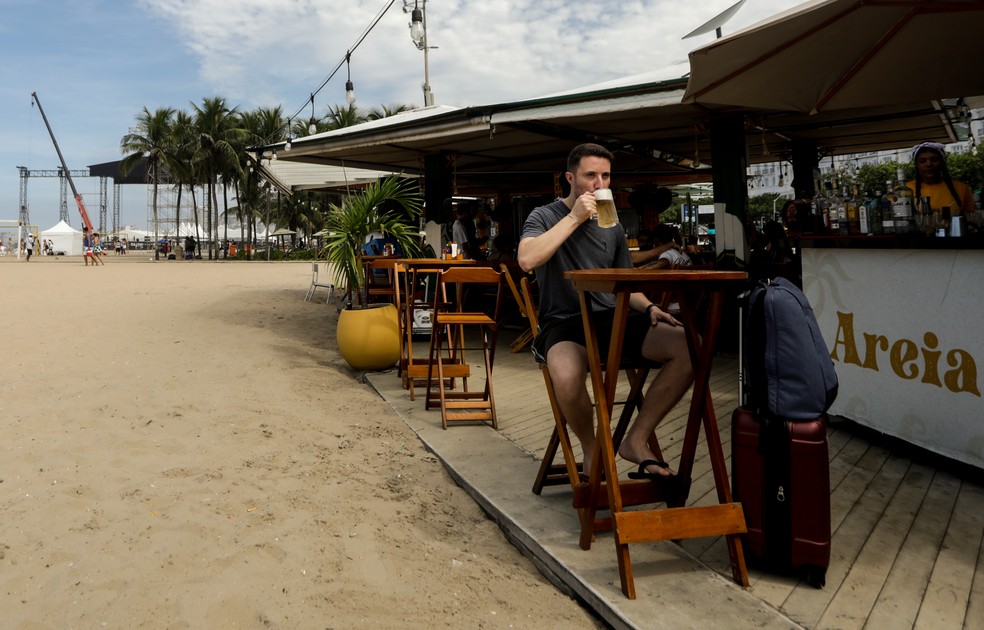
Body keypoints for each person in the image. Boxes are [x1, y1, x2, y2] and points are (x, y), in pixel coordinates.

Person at [517, 143, 693, 480]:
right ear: (570, 178)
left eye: (606, 176)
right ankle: (592, 448)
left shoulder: (612, 224)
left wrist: (651, 307)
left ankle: (636, 440)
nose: (599, 184)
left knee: (690, 345)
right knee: (566, 377)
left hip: (612, 319)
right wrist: (574, 217)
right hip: (564, 322)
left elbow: (625, 283)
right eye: (590, 176)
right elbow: (527, 260)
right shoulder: (544, 215)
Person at [907, 142, 975, 216]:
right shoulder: (904, 190)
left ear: (942, 162)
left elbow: (972, 218)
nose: (928, 164)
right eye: (922, 161)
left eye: (934, 159)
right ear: (916, 164)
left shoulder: (961, 188)